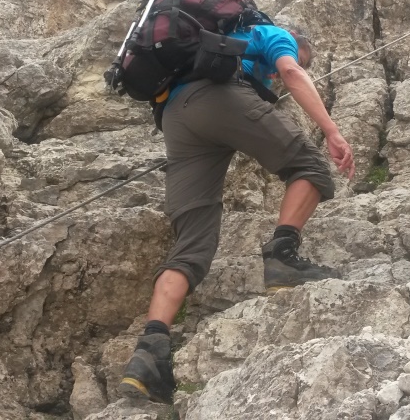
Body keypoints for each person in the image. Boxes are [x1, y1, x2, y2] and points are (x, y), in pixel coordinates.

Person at [118, 22, 356, 404]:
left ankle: (149, 353)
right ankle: (282, 257)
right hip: (219, 96)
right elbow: (291, 72)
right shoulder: (275, 34)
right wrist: (331, 131)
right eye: (300, 57)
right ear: (295, 41)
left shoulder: (223, 42)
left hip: (176, 116)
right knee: (311, 166)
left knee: (192, 243)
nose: (278, 71)